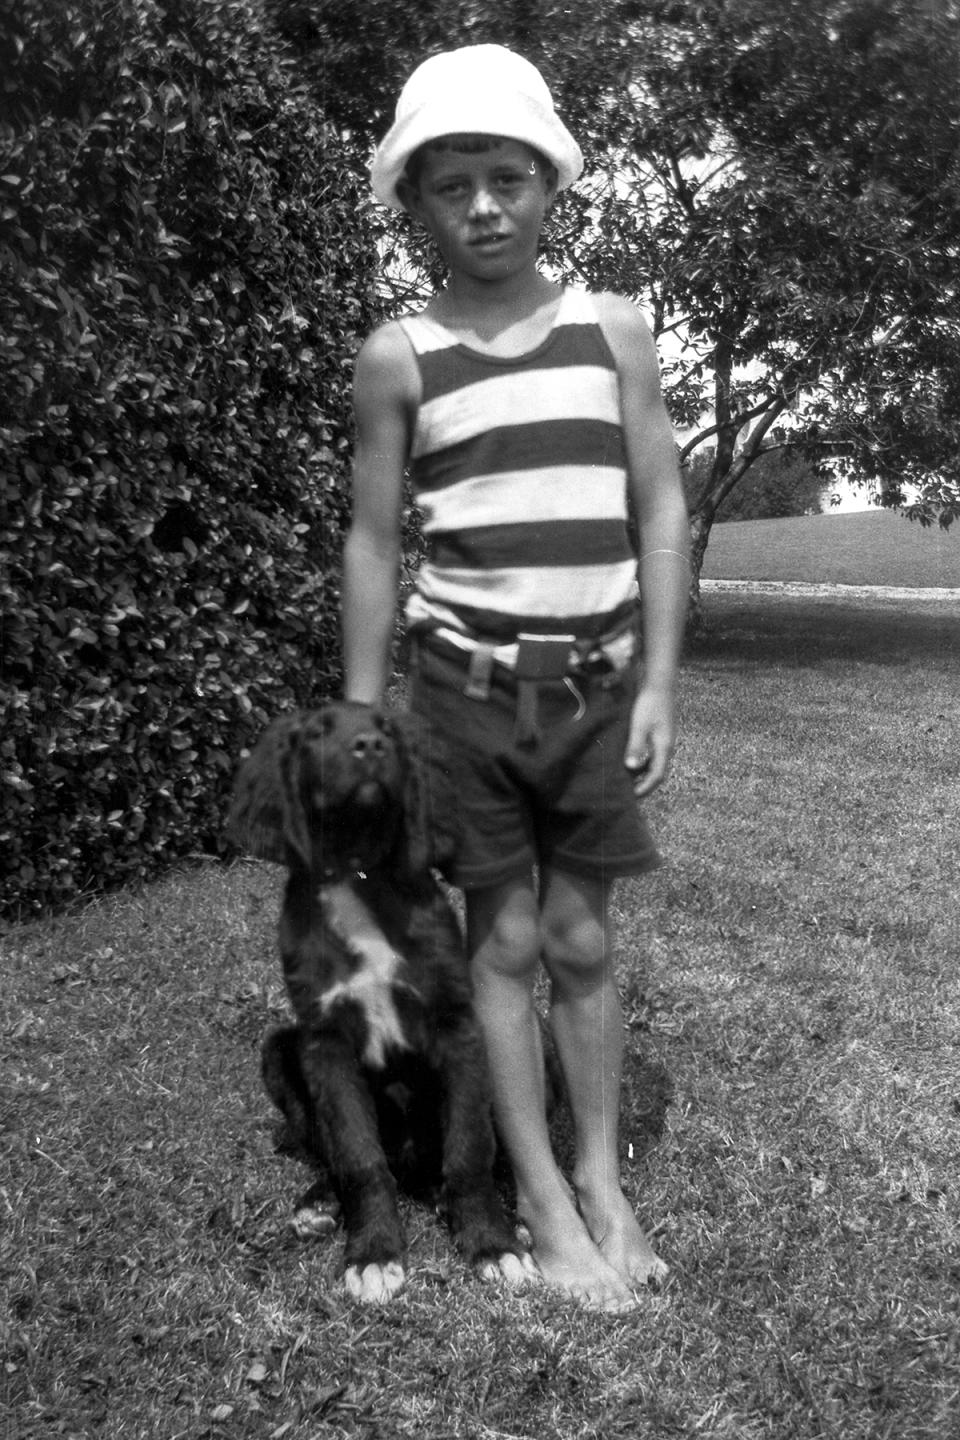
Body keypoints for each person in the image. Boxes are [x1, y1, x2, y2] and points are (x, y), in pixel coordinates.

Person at [342, 44, 690, 1312]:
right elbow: (377, 540)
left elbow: (657, 498)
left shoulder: (616, 332)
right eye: (452, 186)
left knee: (584, 938)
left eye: (507, 177)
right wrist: (364, 707)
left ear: (550, 185)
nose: (483, 206)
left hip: (594, 691)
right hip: (461, 700)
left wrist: (657, 680)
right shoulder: (402, 355)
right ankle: (540, 1198)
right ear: (415, 205)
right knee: (504, 940)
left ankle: (601, 1178)